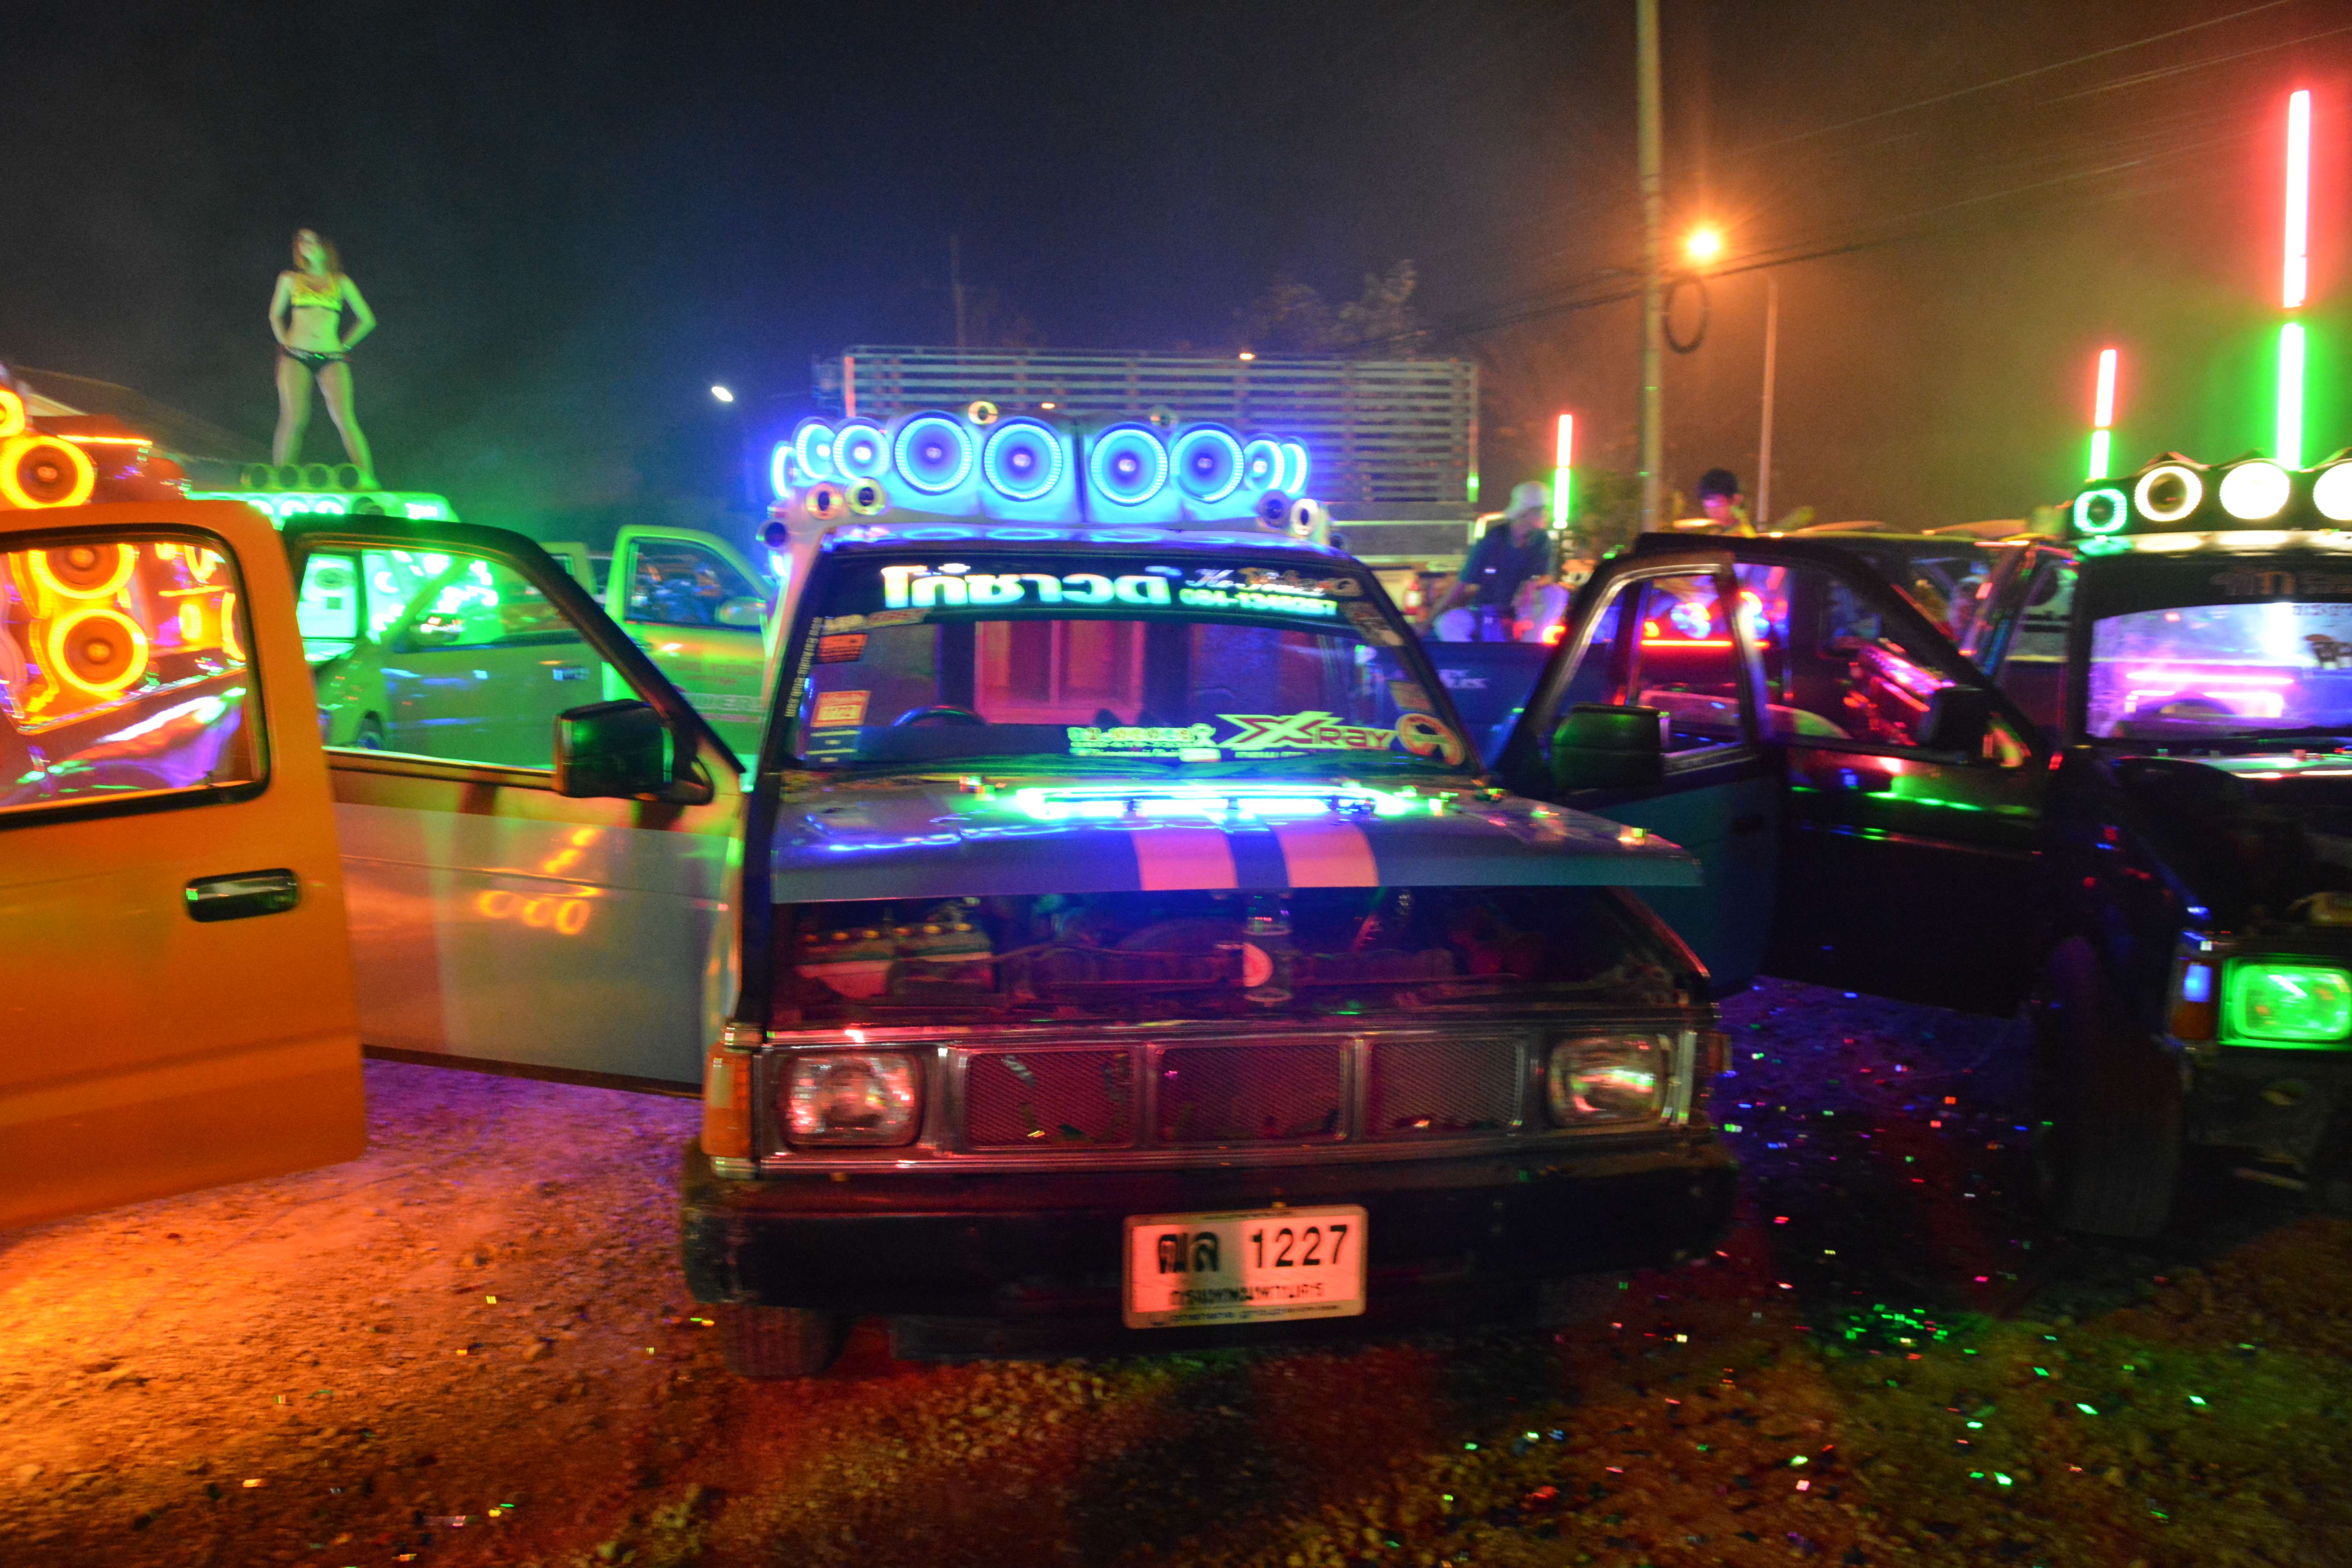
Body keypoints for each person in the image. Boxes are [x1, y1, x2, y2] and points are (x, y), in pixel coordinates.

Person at [269, 228, 377, 482]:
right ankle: (281, 480)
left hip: (332, 357)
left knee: (345, 418)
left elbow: (368, 320)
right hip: (296, 355)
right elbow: (275, 315)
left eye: (313, 240)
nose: (306, 245)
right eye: (302, 241)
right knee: (294, 417)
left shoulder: (341, 282)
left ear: (325, 247)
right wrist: (285, 342)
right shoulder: (289, 278)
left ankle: (368, 481)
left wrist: (344, 346)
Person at [1433, 480, 1555, 641]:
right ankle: (1474, 656)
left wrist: (1530, 586)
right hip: (1486, 609)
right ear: (1526, 512)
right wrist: (1429, 622)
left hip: (1521, 611)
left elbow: (1547, 576)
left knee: (1556, 594)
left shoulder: (1542, 540)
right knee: (1447, 623)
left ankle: (1533, 647)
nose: (1547, 515)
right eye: (1542, 510)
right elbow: (1462, 584)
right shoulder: (1493, 540)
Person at [1692, 468, 1753, 534]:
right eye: (1707, 506)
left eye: (1718, 504)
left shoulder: (1741, 534)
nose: (1713, 511)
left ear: (1736, 500)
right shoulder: (1714, 531)